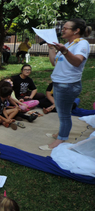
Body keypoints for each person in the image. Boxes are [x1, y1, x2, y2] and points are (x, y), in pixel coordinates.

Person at [39, 18, 91, 150]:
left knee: (64, 114)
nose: (62, 30)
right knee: (62, 113)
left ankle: (60, 140)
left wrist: (64, 51)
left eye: (65, 28)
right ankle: (61, 134)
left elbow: (77, 61)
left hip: (68, 85)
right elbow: (54, 62)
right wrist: (51, 47)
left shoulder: (82, 43)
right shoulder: (68, 44)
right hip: (59, 83)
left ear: (76, 31)